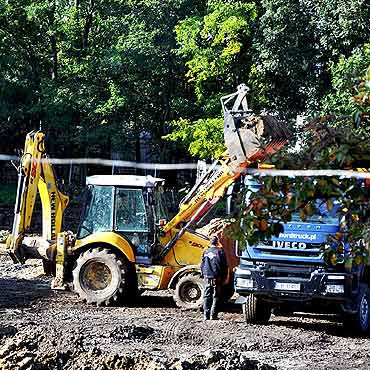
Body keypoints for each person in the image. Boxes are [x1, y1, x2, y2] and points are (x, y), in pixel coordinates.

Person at [200, 235, 228, 320]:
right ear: (217, 242)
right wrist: (224, 277)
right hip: (217, 277)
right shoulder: (220, 252)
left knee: (207, 295)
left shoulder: (205, 252)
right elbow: (224, 266)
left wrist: (203, 274)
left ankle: (206, 315)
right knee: (216, 295)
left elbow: (202, 264)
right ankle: (213, 315)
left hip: (207, 276)